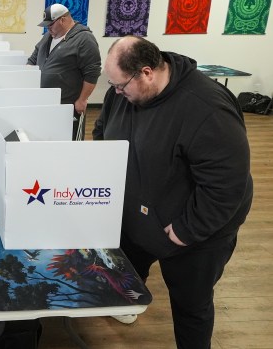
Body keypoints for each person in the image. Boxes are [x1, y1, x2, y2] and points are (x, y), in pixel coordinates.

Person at [92, 36, 253, 348]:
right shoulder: (124, 93)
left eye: (121, 86)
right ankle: (128, 306)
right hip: (140, 212)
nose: (116, 93)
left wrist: (187, 229)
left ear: (147, 72)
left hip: (191, 231)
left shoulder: (207, 107)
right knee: (127, 271)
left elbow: (226, 185)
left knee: (191, 304)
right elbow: (103, 131)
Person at [27, 4, 101, 140]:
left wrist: (82, 99)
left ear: (62, 20)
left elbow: (92, 72)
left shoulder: (84, 39)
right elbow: (32, 59)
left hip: (68, 105)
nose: (48, 28)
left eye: (50, 24)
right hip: (45, 103)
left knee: (69, 143)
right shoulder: (48, 36)